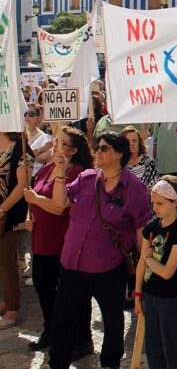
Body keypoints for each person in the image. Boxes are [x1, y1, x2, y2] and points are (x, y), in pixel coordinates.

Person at [48, 131, 150, 369]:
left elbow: (141, 231)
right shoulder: (86, 178)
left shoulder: (133, 188)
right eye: (98, 147)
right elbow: (59, 202)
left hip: (109, 269)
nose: (98, 152)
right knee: (63, 320)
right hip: (72, 264)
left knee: (113, 322)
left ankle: (109, 364)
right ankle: (57, 364)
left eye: (104, 148)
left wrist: (140, 274)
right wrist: (61, 171)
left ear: (119, 154)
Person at [22, 127, 93, 351]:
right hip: (41, 240)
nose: (54, 145)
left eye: (60, 142)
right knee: (43, 288)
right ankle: (50, 330)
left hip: (62, 243)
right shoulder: (47, 168)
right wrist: (29, 214)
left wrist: (36, 199)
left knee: (69, 294)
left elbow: (59, 207)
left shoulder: (76, 173)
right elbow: (35, 197)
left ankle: (80, 338)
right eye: (55, 140)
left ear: (72, 150)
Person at [134, 176, 177, 369]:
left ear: (175, 201)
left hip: (170, 299)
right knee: (153, 349)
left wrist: (148, 258)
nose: (155, 208)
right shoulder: (152, 226)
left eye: (159, 203)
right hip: (150, 296)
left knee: (173, 350)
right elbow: (140, 266)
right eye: (153, 203)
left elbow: (167, 272)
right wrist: (137, 294)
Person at [0, 131, 34, 329]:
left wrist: (3, 209)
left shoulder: (21, 150)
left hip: (11, 215)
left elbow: (23, 185)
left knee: (5, 258)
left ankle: (13, 308)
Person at [122, 126, 159, 191]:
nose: (131, 143)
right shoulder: (118, 163)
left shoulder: (149, 163)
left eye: (134, 141)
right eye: (127, 141)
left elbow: (153, 189)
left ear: (139, 143)